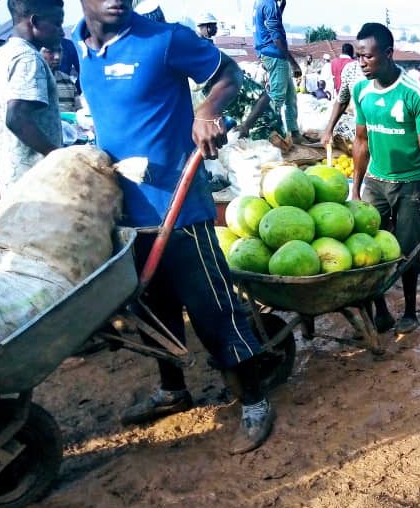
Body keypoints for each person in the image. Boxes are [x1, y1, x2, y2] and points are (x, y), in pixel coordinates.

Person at [75, 0, 275, 453]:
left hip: (179, 206)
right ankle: (172, 389)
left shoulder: (164, 39)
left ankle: (255, 402)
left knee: (214, 309)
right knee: (152, 306)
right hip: (124, 208)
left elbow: (229, 72)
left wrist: (206, 109)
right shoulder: (77, 43)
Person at [350, 22, 420, 334]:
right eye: (358, 56)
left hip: (411, 185)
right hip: (376, 184)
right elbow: (361, 141)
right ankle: (380, 310)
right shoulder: (361, 91)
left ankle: (410, 310)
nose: (362, 62)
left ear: (388, 54)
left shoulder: (415, 94)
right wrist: (355, 190)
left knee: (408, 251)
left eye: (367, 56)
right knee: (370, 250)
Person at [0, 0, 63, 195]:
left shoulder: (3, 54)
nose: (60, 31)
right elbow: (16, 118)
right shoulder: (28, 58)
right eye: (57, 23)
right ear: (34, 22)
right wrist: (57, 156)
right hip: (34, 178)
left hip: (10, 174)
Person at [254, 0, 303, 144]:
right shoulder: (269, 4)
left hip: (270, 53)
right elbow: (276, 37)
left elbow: (268, 25)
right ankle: (270, 134)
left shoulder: (262, 3)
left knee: (290, 97)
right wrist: (293, 63)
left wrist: (281, 8)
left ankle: (294, 133)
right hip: (275, 54)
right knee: (277, 98)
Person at [40, 46, 80, 113]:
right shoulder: (31, 81)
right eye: (50, 51)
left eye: (59, 51)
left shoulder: (67, 80)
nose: (57, 57)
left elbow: (79, 111)